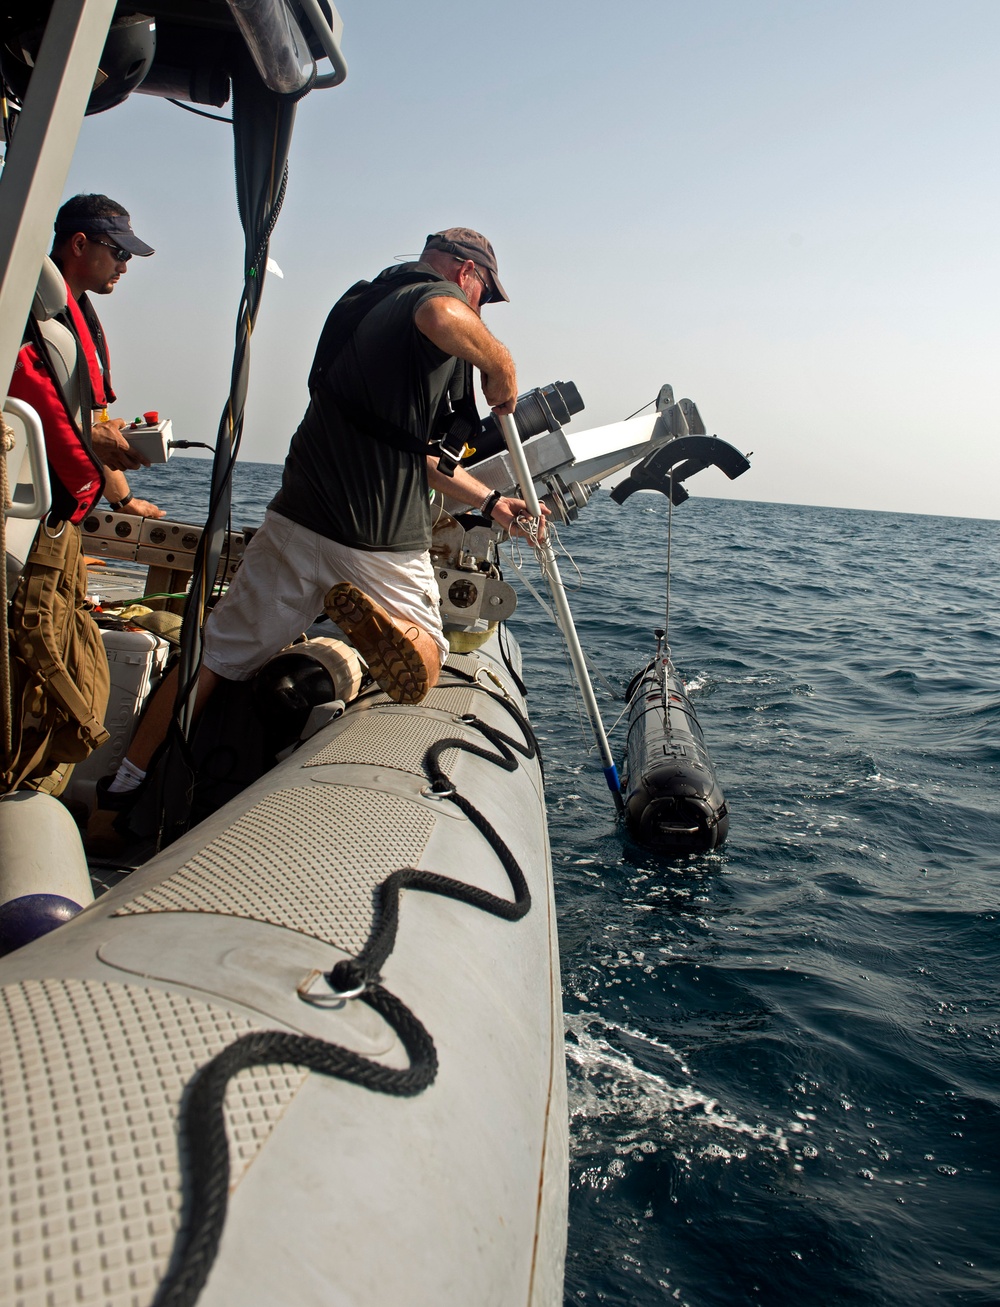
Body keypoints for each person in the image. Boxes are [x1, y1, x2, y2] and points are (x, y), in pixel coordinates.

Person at [94, 226, 549, 822]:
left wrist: (491, 503)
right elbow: (442, 315)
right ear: (469, 273)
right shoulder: (434, 297)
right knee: (433, 648)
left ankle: (121, 790)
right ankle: (382, 625)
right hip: (376, 532)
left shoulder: (360, 305)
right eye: (484, 297)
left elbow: (411, 450)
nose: (480, 309)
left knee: (213, 655)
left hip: (296, 513)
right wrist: (500, 360)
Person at [49, 193, 164, 518]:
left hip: (59, 511)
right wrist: (87, 436)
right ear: (80, 244)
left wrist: (124, 502)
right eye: (119, 252)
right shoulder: (28, 312)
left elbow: (91, 424)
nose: (124, 267)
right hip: (34, 508)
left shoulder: (75, 317)